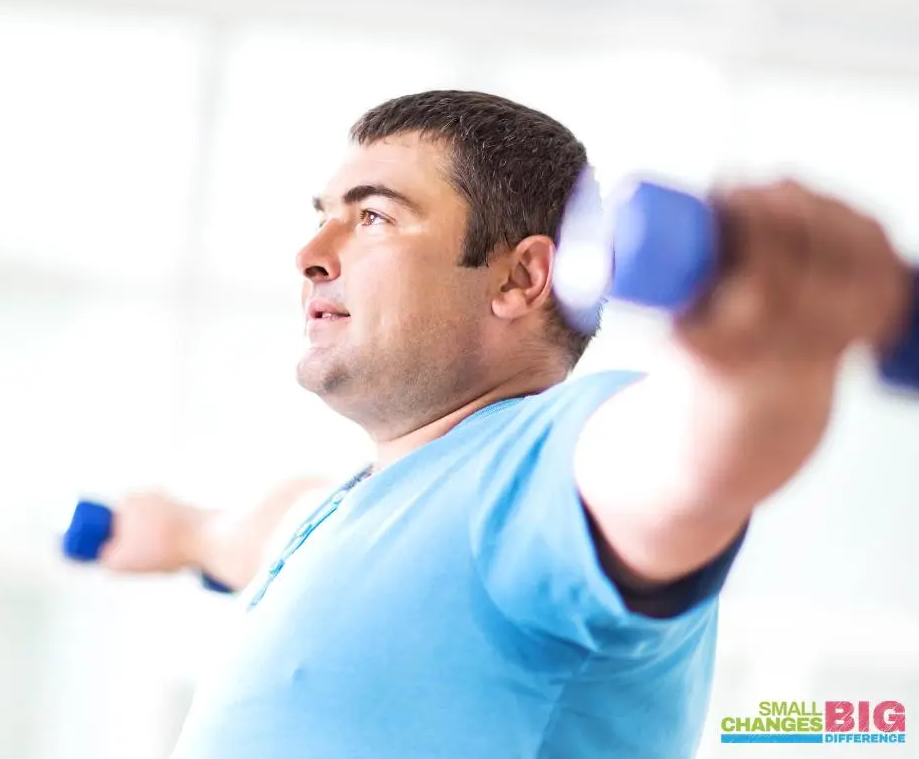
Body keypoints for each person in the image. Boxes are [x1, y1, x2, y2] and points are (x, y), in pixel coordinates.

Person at [99, 90, 910, 758]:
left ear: (521, 277)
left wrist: (756, 354)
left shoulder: (547, 462)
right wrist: (176, 534)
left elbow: (689, 459)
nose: (311, 252)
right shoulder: (341, 512)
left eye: (374, 216)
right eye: (322, 215)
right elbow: (248, 533)